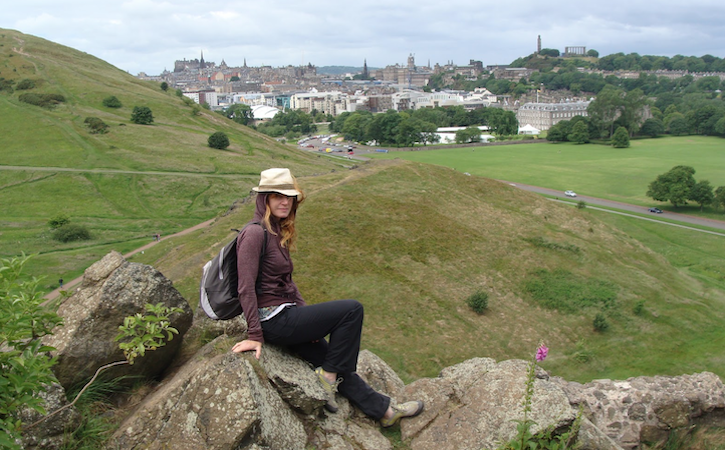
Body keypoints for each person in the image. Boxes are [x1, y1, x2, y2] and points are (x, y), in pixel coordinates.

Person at [231, 168, 424, 427]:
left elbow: (288, 283)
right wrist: (255, 335)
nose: (285, 202)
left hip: (287, 315)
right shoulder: (254, 234)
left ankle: (385, 413)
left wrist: (307, 321)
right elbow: (245, 287)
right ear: (263, 198)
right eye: (277, 196)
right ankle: (328, 379)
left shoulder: (277, 233)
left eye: (289, 196)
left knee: (333, 360)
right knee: (351, 310)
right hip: (273, 321)